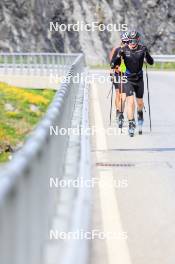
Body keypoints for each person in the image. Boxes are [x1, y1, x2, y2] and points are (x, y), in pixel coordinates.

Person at [111, 30, 154, 136]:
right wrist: (117, 59)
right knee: (129, 101)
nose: (131, 42)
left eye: (134, 40)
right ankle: (131, 123)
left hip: (139, 79)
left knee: (139, 103)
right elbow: (113, 64)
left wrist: (146, 55)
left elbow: (151, 62)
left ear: (138, 40)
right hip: (127, 79)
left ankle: (140, 113)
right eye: (130, 40)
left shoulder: (142, 49)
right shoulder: (122, 50)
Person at [109, 32, 129, 128]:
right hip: (117, 74)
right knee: (118, 94)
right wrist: (112, 72)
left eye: (128, 41)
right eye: (125, 41)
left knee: (123, 96)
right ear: (122, 40)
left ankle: (120, 112)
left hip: (127, 76)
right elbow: (111, 63)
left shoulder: (131, 50)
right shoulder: (116, 49)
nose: (126, 43)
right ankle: (119, 113)